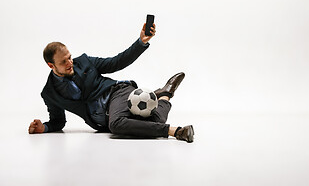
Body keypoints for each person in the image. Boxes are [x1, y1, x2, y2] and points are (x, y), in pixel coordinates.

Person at [28, 23, 194, 143]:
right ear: (51, 65)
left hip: (117, 93)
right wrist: (45, 127)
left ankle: (177, 132)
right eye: (64, 62)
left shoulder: (85, 62)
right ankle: (165, 95)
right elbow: (58, 121)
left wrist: (141, 42)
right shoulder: (49, 93)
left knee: (117, 125)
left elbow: (116, 62)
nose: (70, 63)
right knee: (151, 121)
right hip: (103, 120)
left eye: (70, 57)